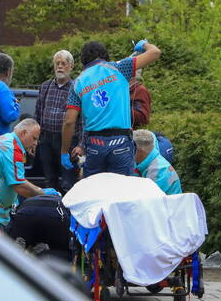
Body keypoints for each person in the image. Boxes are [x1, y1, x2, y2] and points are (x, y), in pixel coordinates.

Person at [60, 40, 162, 177]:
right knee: (122, 192)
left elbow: (69, 122)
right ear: (105, 55)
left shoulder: (78, 82)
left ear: (83, 60)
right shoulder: (120, 68)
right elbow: (155, 52)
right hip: (121, 142)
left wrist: (64, 152)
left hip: (94, 144)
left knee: (95, 191)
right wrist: (144, 45)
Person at [34, 49, 82, 192]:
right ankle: (51, 210)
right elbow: (38, 114)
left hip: (68, 141)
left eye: (63, 63)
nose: (60, 66)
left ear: (71, 66)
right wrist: (36, 139)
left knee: (68, 182)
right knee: (49, 180)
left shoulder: (77, 88)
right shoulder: (45, 87)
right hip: (46, 140)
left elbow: (83, 120)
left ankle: (67, 213)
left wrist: (81, 144)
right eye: (57, 63)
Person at [133, 129, 182, 195]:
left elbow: (147, 200)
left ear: (140, 150)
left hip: (169, 204)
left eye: (130, 149)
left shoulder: (159, 170)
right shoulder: (149, 160)